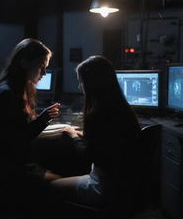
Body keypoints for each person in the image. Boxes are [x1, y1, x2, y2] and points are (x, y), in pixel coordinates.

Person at [49, 55, 141, 218]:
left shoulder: (97, 114)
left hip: (104, 186)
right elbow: (107, 143)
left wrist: (73, 136)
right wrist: (83, 135)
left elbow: (87, 156)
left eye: (81, 82)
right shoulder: (124, 110)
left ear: (92, 84)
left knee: (52, 186)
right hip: (127, 185)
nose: (79, 86)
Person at [0, 38, 61, 218]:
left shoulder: (13, 88)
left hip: (16, 167)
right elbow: (19, 139)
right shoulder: (8, 94)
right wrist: (43, 119)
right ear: (24, 62)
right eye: (41, 66)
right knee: (61, 183)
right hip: (15, 172)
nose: (44, 72)